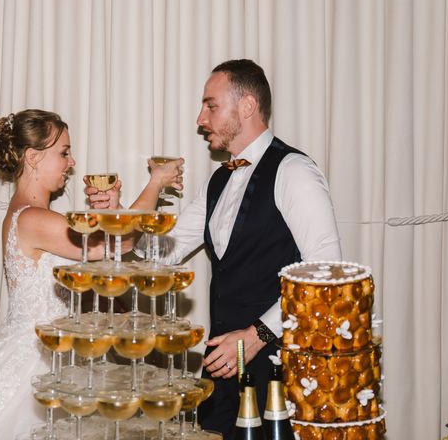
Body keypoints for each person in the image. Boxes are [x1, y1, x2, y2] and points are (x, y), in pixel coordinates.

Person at [88, 60, 341, 439]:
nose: (200, 119)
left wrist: (257, 334)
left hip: (280, 367)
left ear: (247, 107)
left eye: (211, 106)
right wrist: (117, 217)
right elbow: (162, 254)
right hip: (223, 366)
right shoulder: (219, 181)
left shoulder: (293, 170)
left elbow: (327, 270)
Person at [0, 109, 183, 439]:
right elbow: (120, 242)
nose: (71, 163)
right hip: (36, 360)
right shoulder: (32, 219)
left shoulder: (30, 215)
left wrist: (111, 209)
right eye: (63, 153)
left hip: (51, 349)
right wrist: (156, 181)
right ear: (33, 157)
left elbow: (104, 257)